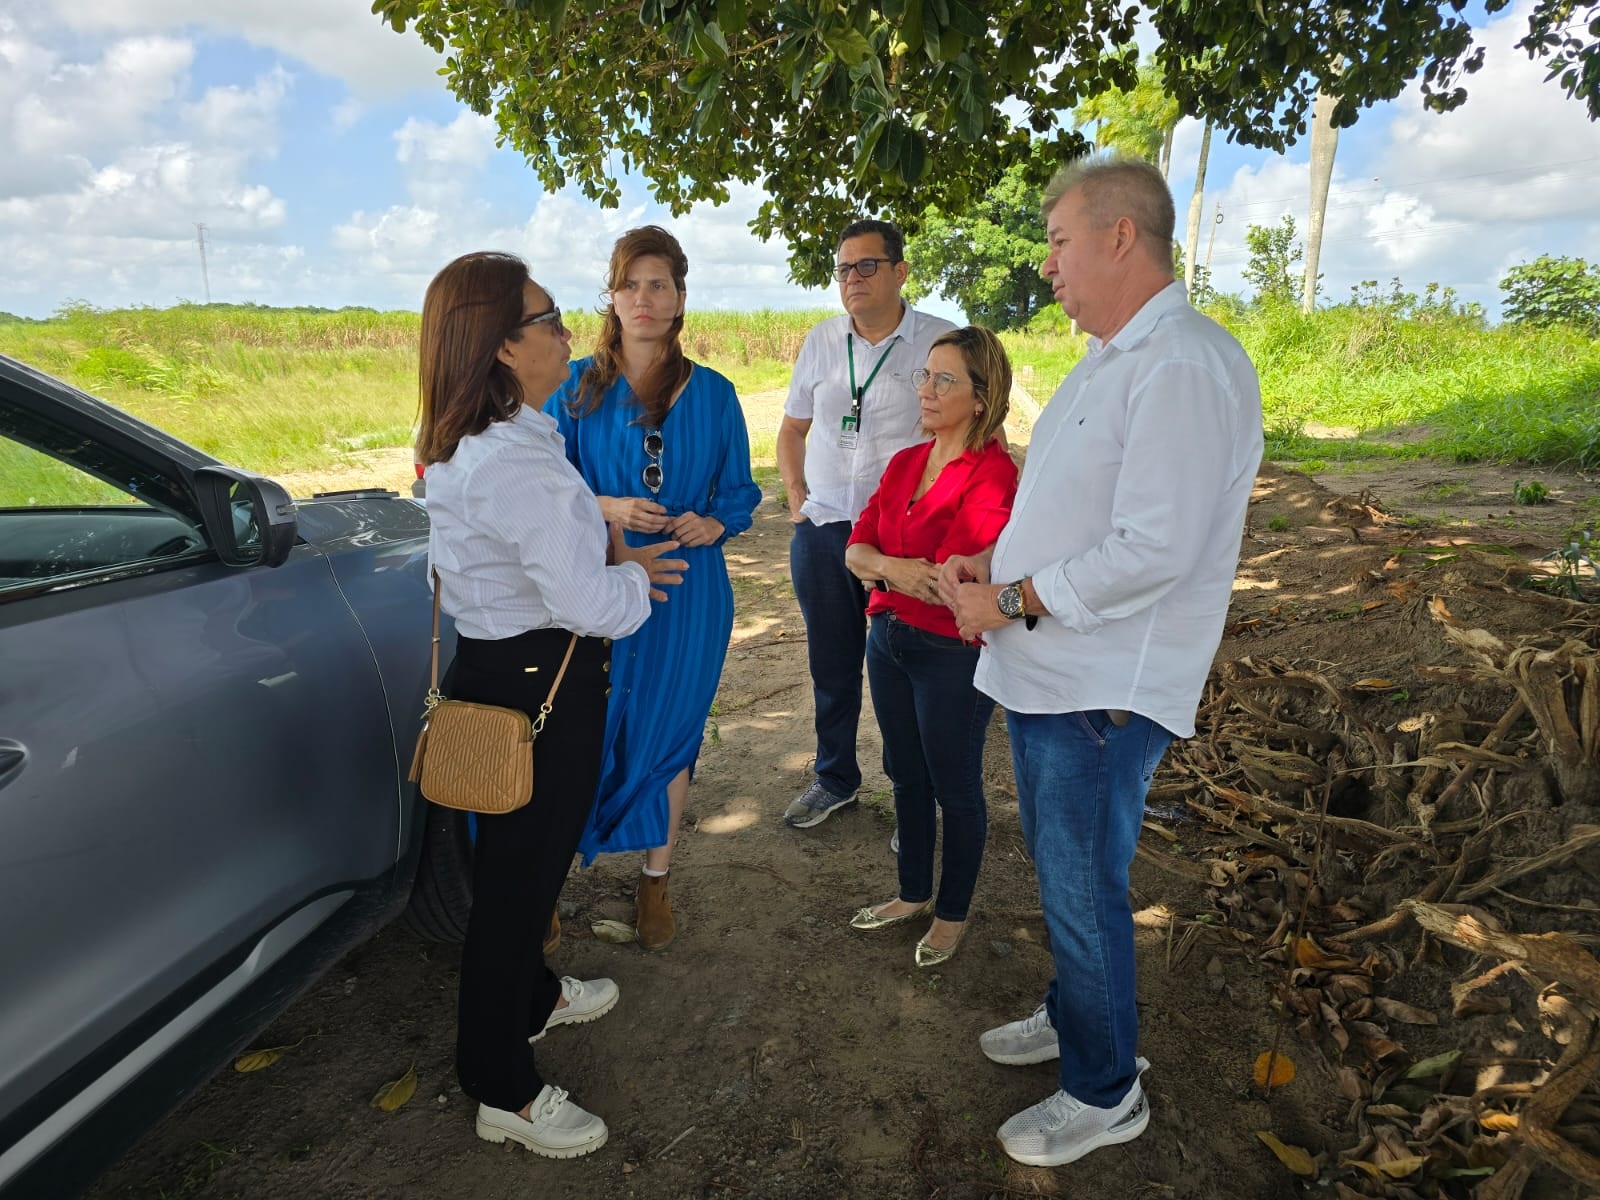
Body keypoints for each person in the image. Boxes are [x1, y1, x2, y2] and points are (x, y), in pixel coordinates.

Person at [942, 158, 1263, 1167]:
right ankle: (1076, 1012)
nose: (1048, 266)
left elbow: (1154, 545)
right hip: (1057, 674)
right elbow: (1076, 506)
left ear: (1121, 237)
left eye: (1058, 241)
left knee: (1081, 883)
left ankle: (1103, 1086)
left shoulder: (1180, 363)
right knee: (1070, 870)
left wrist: (1006, 599)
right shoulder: (1114, 357)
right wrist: (995, 561)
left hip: (1102, 686)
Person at [417, 250, 688, 1158]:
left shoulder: (506, 438)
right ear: (502, 347)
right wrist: (636, 586)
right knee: (516, 888)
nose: (568, 334)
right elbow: (581, 603)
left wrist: (605, 553)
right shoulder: (512, 461)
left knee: (524, 872)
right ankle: (502, 1086)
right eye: (549, 321)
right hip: (541, 679)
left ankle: (532, 1001)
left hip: (518, 673)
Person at [546, 226, 761, 950]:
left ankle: (655, 881)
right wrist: (605, 507)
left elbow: (739, 493)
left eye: (658, 284)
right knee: (580, 731)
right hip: (594, 585)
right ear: (611, 297)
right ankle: (544, 883)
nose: (644, 298)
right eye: (630, 284)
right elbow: (541, 488)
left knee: (672, 733)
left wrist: (713, 522)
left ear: (679, 299)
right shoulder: (572, 388)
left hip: (687, 596)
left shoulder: (717, 394)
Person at [843, 326, 1017, 968]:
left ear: (980, 397)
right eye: (925, 375)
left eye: (946, 379)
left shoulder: (994, 473)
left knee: (956, 785)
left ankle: (951, 914)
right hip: (887, 640)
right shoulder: (905, 463)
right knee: (904, 772)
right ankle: (912, 893)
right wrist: (894, 567)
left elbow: (958, 575)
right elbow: (854, 549)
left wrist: (889, 566)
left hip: (950, 653)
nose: (928, 389)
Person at [777, 219, 957, 833]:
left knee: (913, 665)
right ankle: (835, 777)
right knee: (832, 662)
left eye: (866, 266)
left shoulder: (939, 342)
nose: (852, 279)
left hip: (905, 538)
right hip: (826, 528)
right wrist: (797, 493)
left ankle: (920, 793)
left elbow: (971, 435)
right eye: (843, 269)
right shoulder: (822, 341)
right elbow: (792, 428)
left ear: (901, 271)